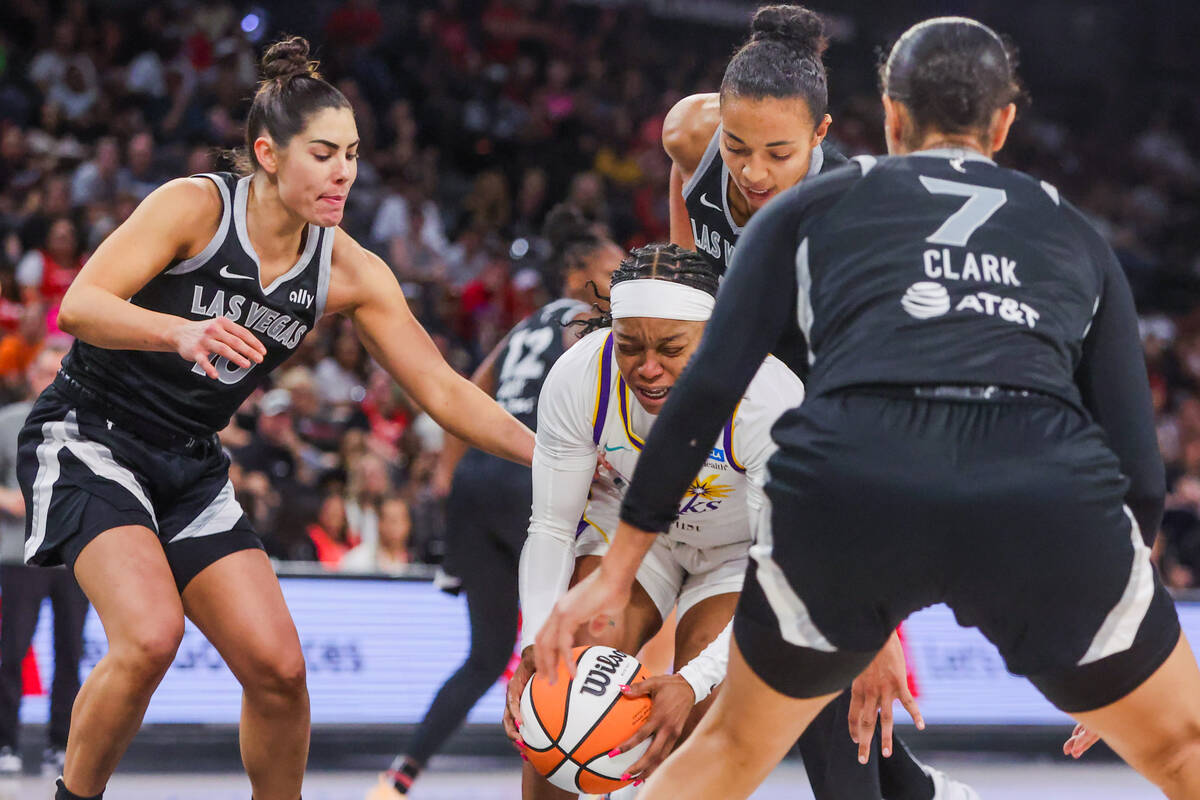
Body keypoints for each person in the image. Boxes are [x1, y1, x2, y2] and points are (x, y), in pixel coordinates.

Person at [535, 16, 1200, 800]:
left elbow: (705, 390)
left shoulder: (810, 208)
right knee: (1185, 750)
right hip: (1038, 484)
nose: (753, 170)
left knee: (729, 750)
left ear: (886, 116)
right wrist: (1115, 622)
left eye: (776, 152)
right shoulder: (1073, 230)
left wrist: (614, 572)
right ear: (1005, 122)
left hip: (850, 479)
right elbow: (1141, 469)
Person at [16, 36, 535, 800]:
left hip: (188, 463)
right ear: (268, 153)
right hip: (91, 434)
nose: (344, 173)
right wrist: (177, 330)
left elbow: (445, 391)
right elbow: (80, 305)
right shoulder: (193, 205)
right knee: (152, 635)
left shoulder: (349, 268)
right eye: (324, 153)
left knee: (282, 673)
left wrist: (555, 454)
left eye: (353, 154)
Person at [666, 6, 970, 798]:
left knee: (827, 645)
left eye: (778, 153)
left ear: (824, 132)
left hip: (857, 420)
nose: (753, 172)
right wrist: (698, 304)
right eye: (738, 148)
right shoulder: (688, 135)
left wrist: (878, 623)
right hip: (761, 402)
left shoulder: (846, 221)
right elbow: (686, 209)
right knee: (800, 676)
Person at [508, 243, 810, 800]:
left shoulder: (769, 399)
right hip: (633, 537)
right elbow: (550, 527)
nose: (648, 368)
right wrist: (535, 642)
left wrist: (693, 682)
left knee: (700, 718)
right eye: (630, 346)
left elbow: (780, 567)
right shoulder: (580, 376)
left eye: (672, 348)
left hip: (740, 555)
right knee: (558, 687)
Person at [367, 204, 623, 798]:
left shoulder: (523, 326)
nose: (625, 273)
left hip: (476, 483)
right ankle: (574, 771)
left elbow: (470, 390)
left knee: (487, 654)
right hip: (534, 471)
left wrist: (448, 479)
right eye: (615, 264)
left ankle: (398, 777)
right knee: (569, 643)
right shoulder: (593, 320)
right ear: (582, 270)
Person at [0, 343, 88, 778]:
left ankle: (61, 744)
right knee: (13, 649)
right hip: (20, 554)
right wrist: (6, 498)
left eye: (58, 373)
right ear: (31, 376)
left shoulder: (84, 422)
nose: (49, 381)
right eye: (42, 373)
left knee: (71, 652)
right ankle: (6, 743)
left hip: (73, 556)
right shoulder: (8, 421)